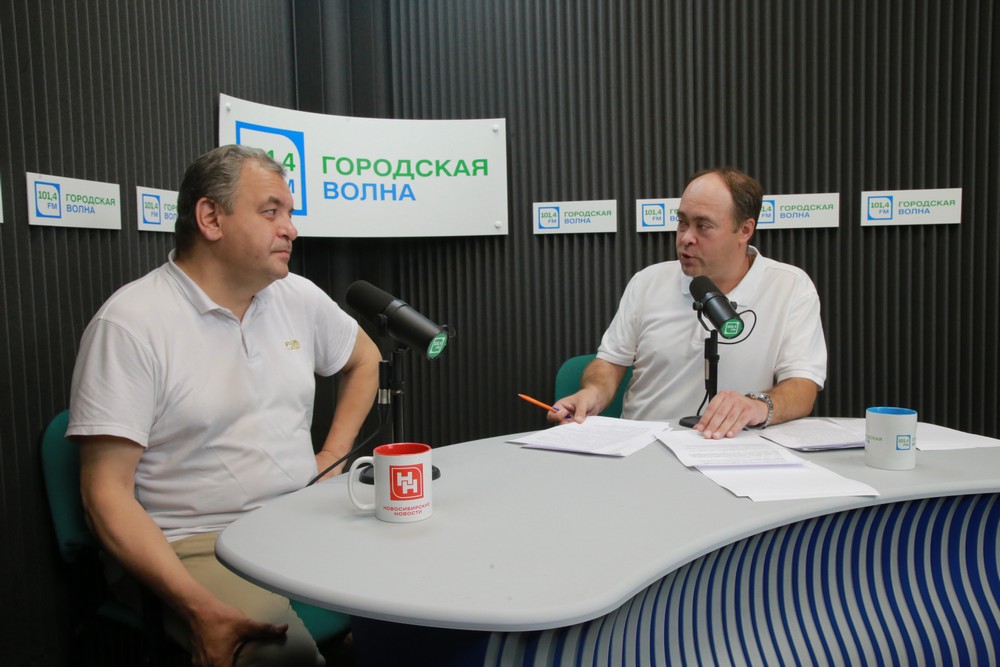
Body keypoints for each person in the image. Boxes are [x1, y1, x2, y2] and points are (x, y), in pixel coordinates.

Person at [67, 145, 381, 666]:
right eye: (271, 212)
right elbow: (105, 495)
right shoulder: (131, 324)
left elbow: (365, 359)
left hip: (299, 517)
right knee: (281, 656)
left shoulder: (296, 296)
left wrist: (333, 455)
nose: (291, 229)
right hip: (195, 541)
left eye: (289, 213)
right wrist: (199, 608)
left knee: (418, 600)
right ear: (210, 218)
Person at [550, 167, 827, 438]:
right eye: (682, 222)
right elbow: (610, 362)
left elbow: (802, 386)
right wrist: (593, 393)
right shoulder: (647, 282)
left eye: (703, 226)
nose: (686, 238)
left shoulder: (791, 287)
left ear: (744, 230)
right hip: (644, 447)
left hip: (734, 447)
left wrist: (758, 406)